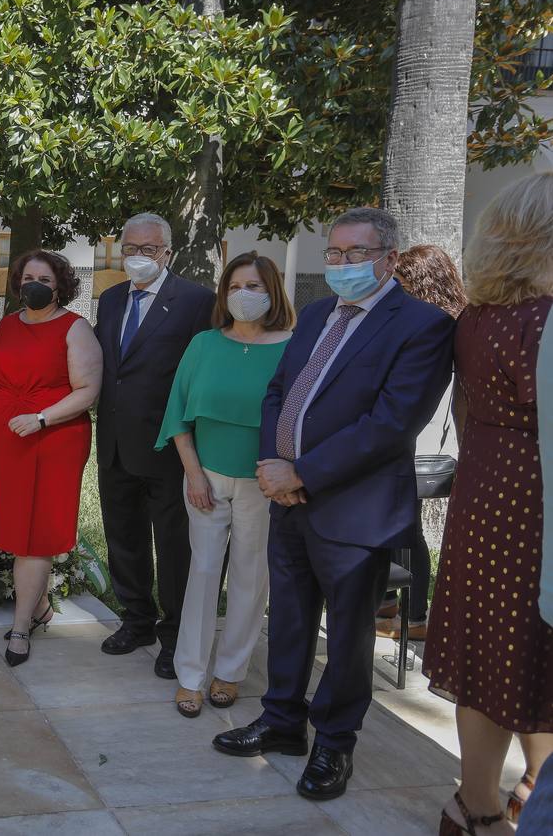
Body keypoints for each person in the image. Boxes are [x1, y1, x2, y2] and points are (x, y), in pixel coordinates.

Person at [214, 207, 454, 802]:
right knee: (290, 619)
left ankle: (334, 745)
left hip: (354, 508)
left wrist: (304, 472)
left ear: (389, 259)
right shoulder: (318, 311)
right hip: (288, 499)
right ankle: (282, 722)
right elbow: (280, 391)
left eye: (356, 254)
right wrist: (275, 467)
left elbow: (392, 423)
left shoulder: (422, 325)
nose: (341, 265)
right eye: (334, 253)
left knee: (348, 637)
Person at [424, 174, 553, 836]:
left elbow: (470, 410)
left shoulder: (477, 319)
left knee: (487, 648)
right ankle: (528, 790)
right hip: (535, 496)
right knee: (532, 647)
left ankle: (473, 806)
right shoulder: (543, 320)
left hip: (484, 488)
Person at [156, 252, 294, 717]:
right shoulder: (203, 345)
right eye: (235, 287)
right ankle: (190, 675)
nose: (244, 295)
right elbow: (177, 413)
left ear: (272, 291)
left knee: (251, 577)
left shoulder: (293, 348)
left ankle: (230, 672)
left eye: (254, 286)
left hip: (263, 482)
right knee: (202, 572)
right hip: (206, 478)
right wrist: (193, 474)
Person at [93, 212, 215, 678]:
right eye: (130, 249)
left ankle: (175, 633)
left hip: (169, 447)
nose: (138, 257)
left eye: (148, 249)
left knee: (173, 545)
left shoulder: (195, 301)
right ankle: (136, 619)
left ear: (167, 252)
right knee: (123, 537)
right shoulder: (109, 299)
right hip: (116, 442)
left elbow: (199, 375)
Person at [0, 250, 102, 666]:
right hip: (7, 442)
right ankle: (40, 606)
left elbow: (88, 390)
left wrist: (40, 418)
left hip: (52, 439)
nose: (36, 285)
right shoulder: (5, 326)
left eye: (46, 280)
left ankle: (21, 627)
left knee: (35, 534)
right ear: (18, 283)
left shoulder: (75, 328)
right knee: (17, 529)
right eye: (29, 277)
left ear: (60, 286)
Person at [374, 244, 466, 642]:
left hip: (422, 444)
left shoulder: (440, 325)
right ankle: (391, 607)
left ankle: (414, 618)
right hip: (416, 440)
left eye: (400, 281)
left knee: (408, 531)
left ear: (419, 282)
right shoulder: (449, 321)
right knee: (398, 526)